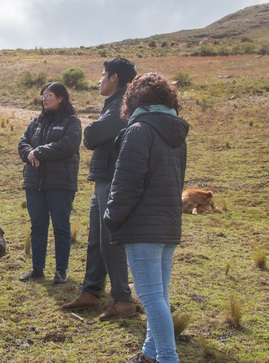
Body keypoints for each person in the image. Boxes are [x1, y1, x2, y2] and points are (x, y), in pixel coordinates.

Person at [103, 73, 189, 363]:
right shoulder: (176, 133)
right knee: (158, 297)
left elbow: (127, 182)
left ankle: (167, 358)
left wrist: (111, 216)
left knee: (152, 299)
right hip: (167, 227)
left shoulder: (138, 130)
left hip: (142, 228)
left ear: (134, 99)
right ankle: (149, 355)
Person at [62, 58, 138, 321]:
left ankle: (122, 299)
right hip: (103, 177)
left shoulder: (121, 106)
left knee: (110, 239)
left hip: (112, 178)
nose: (99, 80)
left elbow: (92, 136)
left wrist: (92, 129)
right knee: (96, 238)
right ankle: (92, 291)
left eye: (103, 75)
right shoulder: (113, 105)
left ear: (114, 78)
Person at [18, 82, 82, 284]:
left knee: (61, 227)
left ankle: (61, 271)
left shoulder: (72, 122)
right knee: (37, 226)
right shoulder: (35, 122)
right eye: (42, 95)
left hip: (60, 183)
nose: (44, 98)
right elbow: (23, 142)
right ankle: (37, 269)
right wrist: (29, 153)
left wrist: (39, 152)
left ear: (61, 98)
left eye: (49, 95)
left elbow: (68, 146)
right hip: (34, 182)